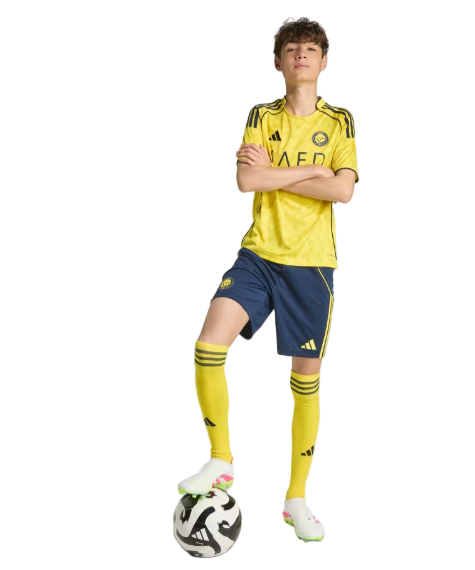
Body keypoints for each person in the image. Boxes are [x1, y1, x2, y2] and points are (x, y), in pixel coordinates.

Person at [177, 17, 358, 543]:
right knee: (208, 345)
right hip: (258, 255)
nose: (301, 55)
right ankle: (221, 460)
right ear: (277, 62)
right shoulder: (262, 116)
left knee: (305, 382)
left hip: (311, 265)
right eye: (292, 49)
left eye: (310, 49)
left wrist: (281, 174)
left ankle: (296, 497)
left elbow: (344, 192)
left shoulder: (341, 121)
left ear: (324, 62)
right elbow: (246, 180)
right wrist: (314, 173)